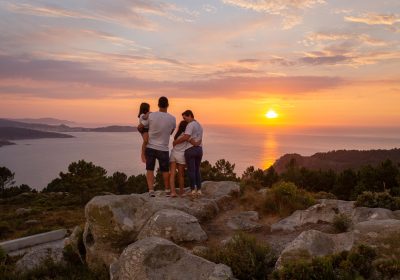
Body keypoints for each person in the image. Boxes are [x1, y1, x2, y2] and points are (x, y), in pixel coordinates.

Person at [143, 97, 176, 197]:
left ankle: (151, 191)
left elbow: (143, 125)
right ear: (168, 105)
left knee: (150, 169)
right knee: (165, 170)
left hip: (151, 147)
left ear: (158, 105)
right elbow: (171, 132)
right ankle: (166, 191)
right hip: (163, 148)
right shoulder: (172, 118)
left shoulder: (151, 115)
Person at [173, 110, 203, 197]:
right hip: (199, 150)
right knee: (197, 169)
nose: (184, 120)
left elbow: (186, 137)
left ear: (190, 115)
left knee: (191, 170)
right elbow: (199, 138)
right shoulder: (199, 125)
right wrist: (196, 143)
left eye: (185, 117)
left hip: (190, 150)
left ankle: (193, 190)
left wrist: (176, 142)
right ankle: (199, 190)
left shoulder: (190, 125)